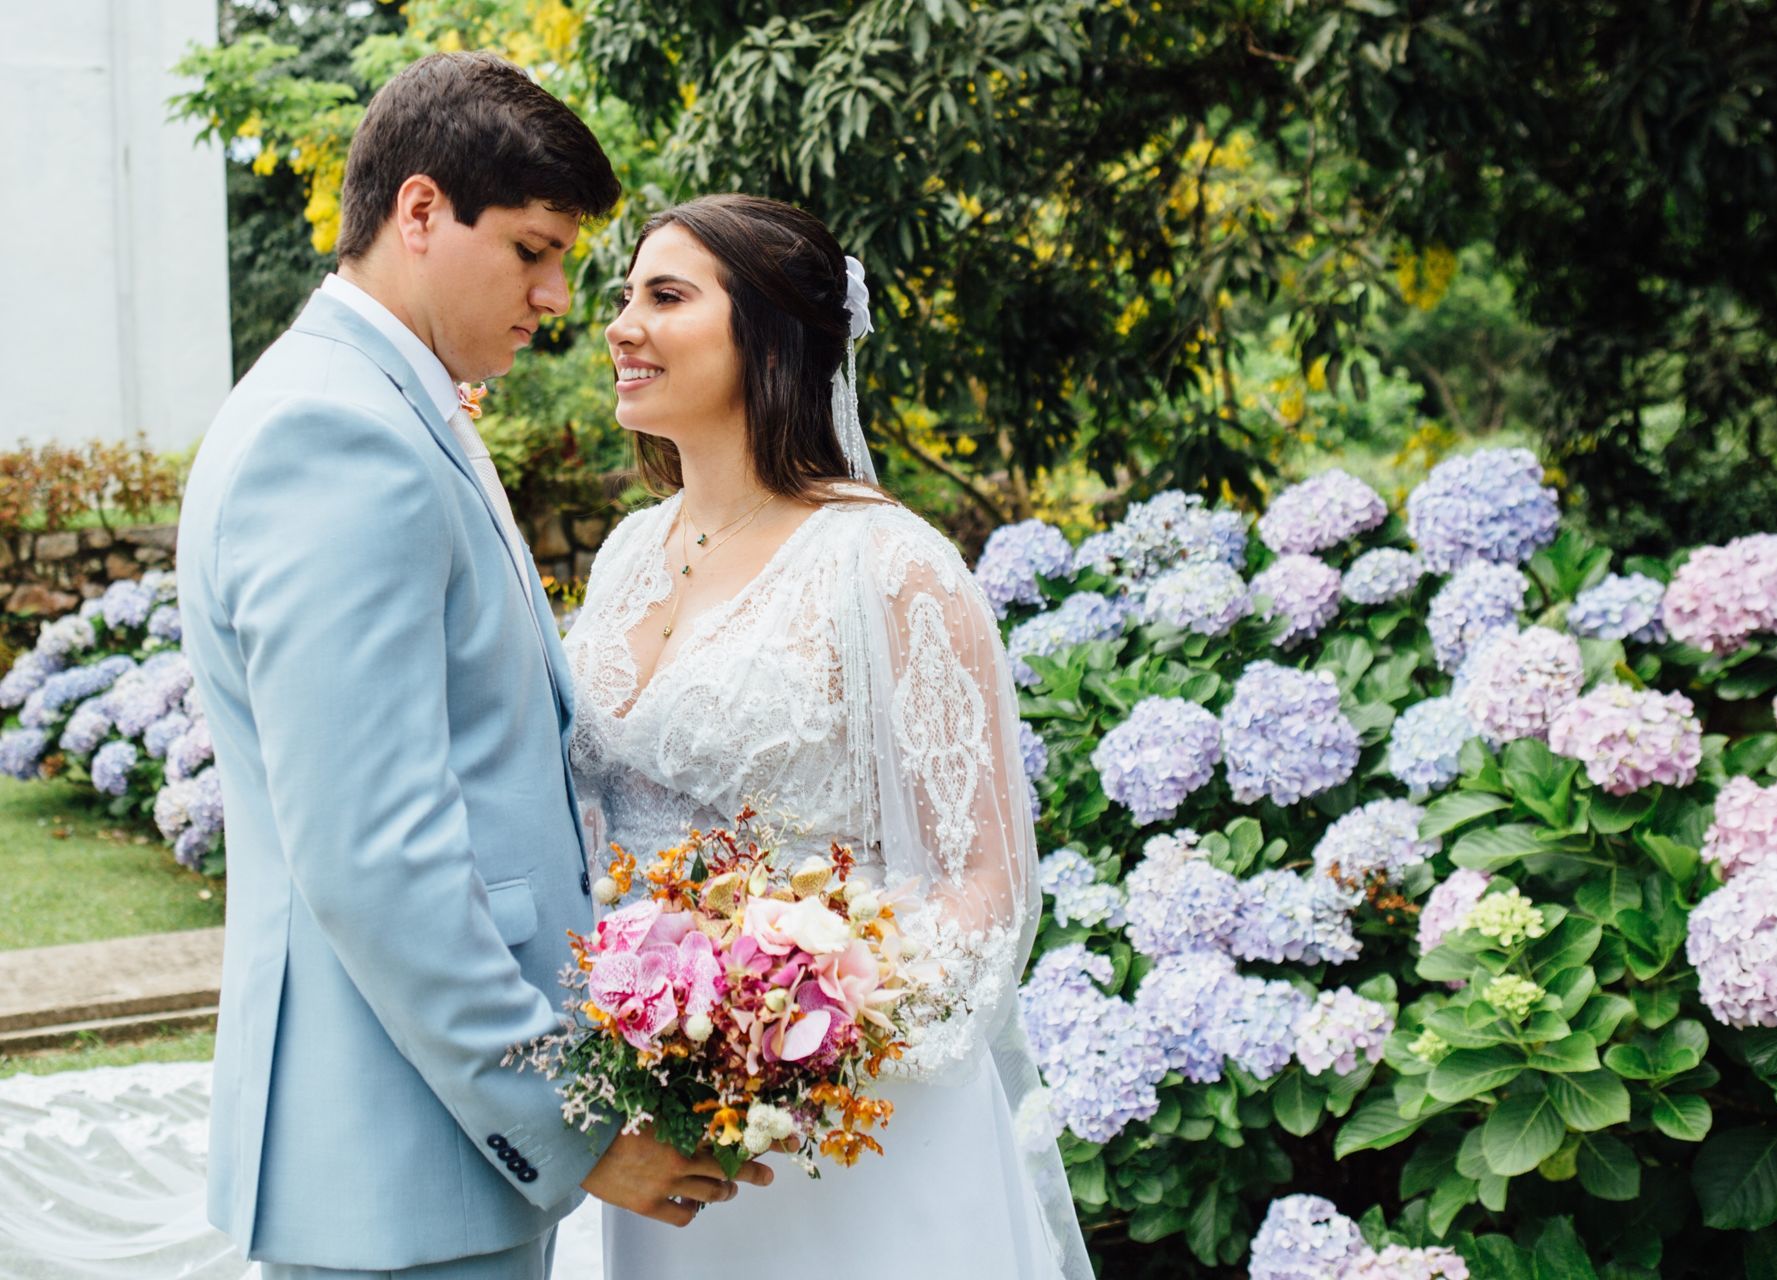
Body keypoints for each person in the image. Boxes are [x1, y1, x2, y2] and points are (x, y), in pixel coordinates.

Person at [176, 54, 773, 1280]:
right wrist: (568, 1118)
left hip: (423, 1154)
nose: (560, 295)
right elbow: (373, 847)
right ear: (421, 212)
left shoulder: (390, 403)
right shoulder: (337, 434)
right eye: (533, 250)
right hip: (398, 1161)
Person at [563, 194, 1096, 1280]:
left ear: (772, 334)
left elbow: (986, 880)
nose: (621, 324)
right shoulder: (624, 553)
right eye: (625, 296)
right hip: (651, 1112)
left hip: (845, 1128)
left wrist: (796, 1022)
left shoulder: (890, 567)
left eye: (665, 296)